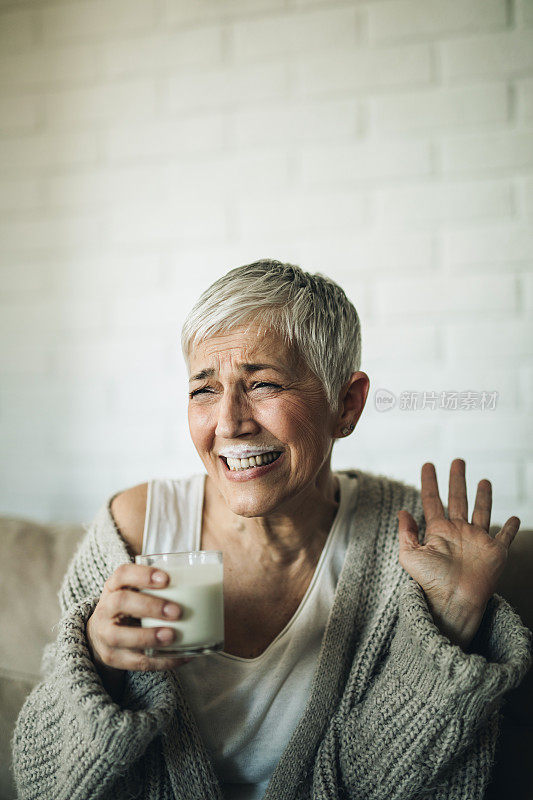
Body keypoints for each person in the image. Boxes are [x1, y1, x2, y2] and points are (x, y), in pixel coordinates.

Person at [12, 260, 532, 800]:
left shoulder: (413, 548)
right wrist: (99, 665)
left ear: (346, 404)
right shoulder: (136, 528)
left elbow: (397, 784)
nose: (231, 421)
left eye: (263, 384)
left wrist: (452, 619)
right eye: (203, 391)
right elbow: (43, 783)